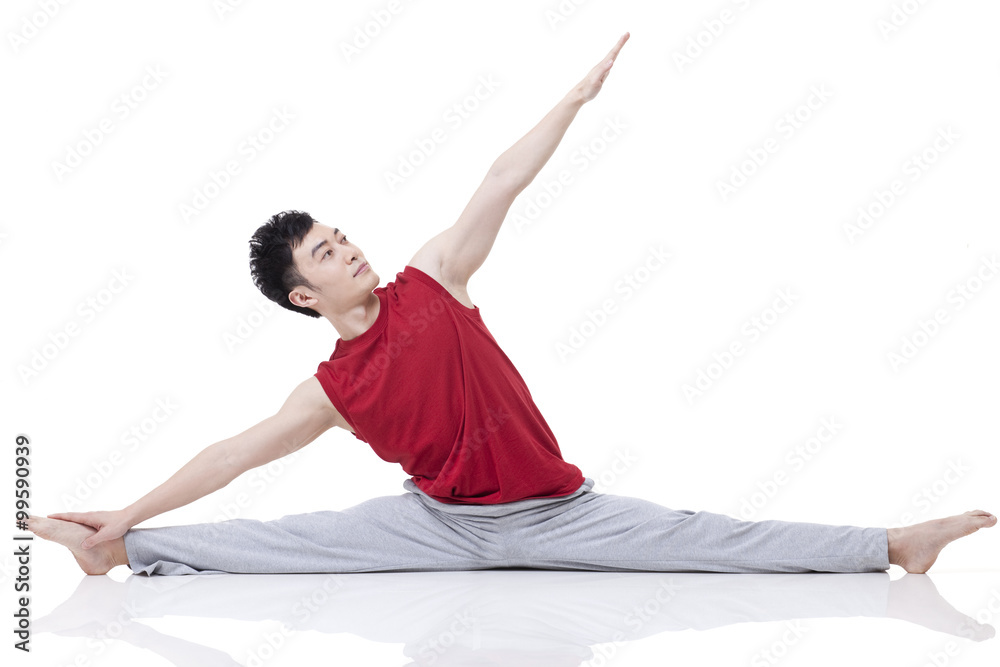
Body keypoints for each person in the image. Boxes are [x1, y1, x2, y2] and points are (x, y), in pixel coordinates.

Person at [24, 33, 995, 576]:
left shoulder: (431, 278)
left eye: (342, 235)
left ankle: (895, 543)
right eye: (327, 251)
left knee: (714, 539)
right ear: (301, 294)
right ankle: (115, 549)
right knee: (275, 545)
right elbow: (233, 454)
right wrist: (129, 508)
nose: (349, 248)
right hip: (436, 523)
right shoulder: (328, 387)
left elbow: (497, 181)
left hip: (553, 512)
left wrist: (569, 103)